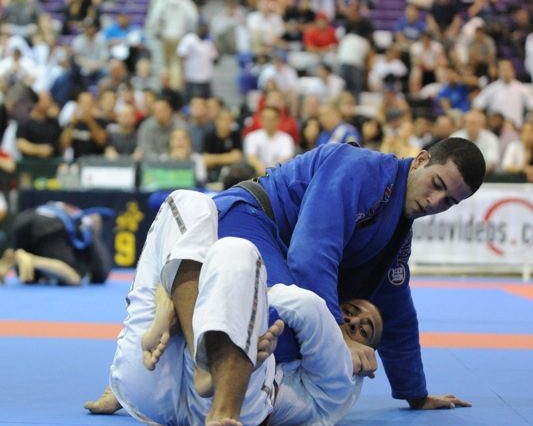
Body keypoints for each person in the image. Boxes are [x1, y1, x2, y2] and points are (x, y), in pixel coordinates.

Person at [207, 138, 484, 409]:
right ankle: (204, 379)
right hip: (246, 217)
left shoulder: (398, 229)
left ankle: (243, 392)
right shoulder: (360, 168)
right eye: (436, 184)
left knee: (297, 341)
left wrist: (415, 392)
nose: (434, 201)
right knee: (287, 332)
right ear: (420, 160)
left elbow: (395, 307)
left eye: (448, 201)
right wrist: (340, 337)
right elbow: (311, 256)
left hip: (275, 245)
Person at [85, 190, 384, 425]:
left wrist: (203, 296)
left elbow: (306, 305)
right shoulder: (299, 332)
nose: (353, 321)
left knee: (237, 251)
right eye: (352, 311)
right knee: (188, 202)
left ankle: (220, 408)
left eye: (364, 330)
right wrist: (171, 300)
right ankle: (198, 354)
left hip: (237, 401)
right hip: (154, 380)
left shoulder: (340, 386)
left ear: (369, 354)